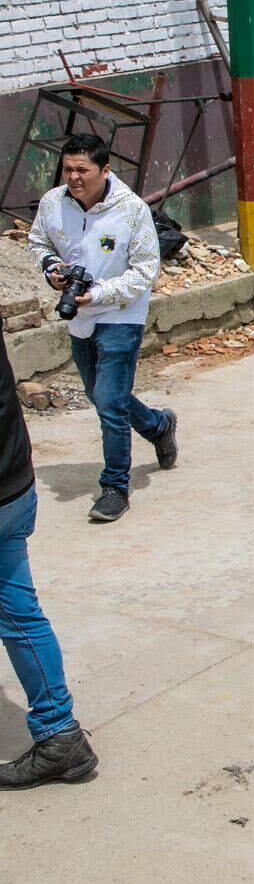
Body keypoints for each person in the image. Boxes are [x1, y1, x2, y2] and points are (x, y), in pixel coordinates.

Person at [27, 134, 175, 523]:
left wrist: (100, 293)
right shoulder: (52, 203)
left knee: (109, 404)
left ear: (105, 170)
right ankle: (158, 425)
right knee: (101, 395)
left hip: (121, 314)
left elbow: (145, 270)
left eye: (83, 170)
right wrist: (51, 268)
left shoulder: (132, 211)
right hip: (79, 316)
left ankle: (114, 487)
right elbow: (36, 240)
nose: (74, 177)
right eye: (68, 169)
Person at [0, 329, 98, 788]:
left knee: (18, 614)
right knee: (20, 614)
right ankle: (60, 732)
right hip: (15, 481)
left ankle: (61, 734)